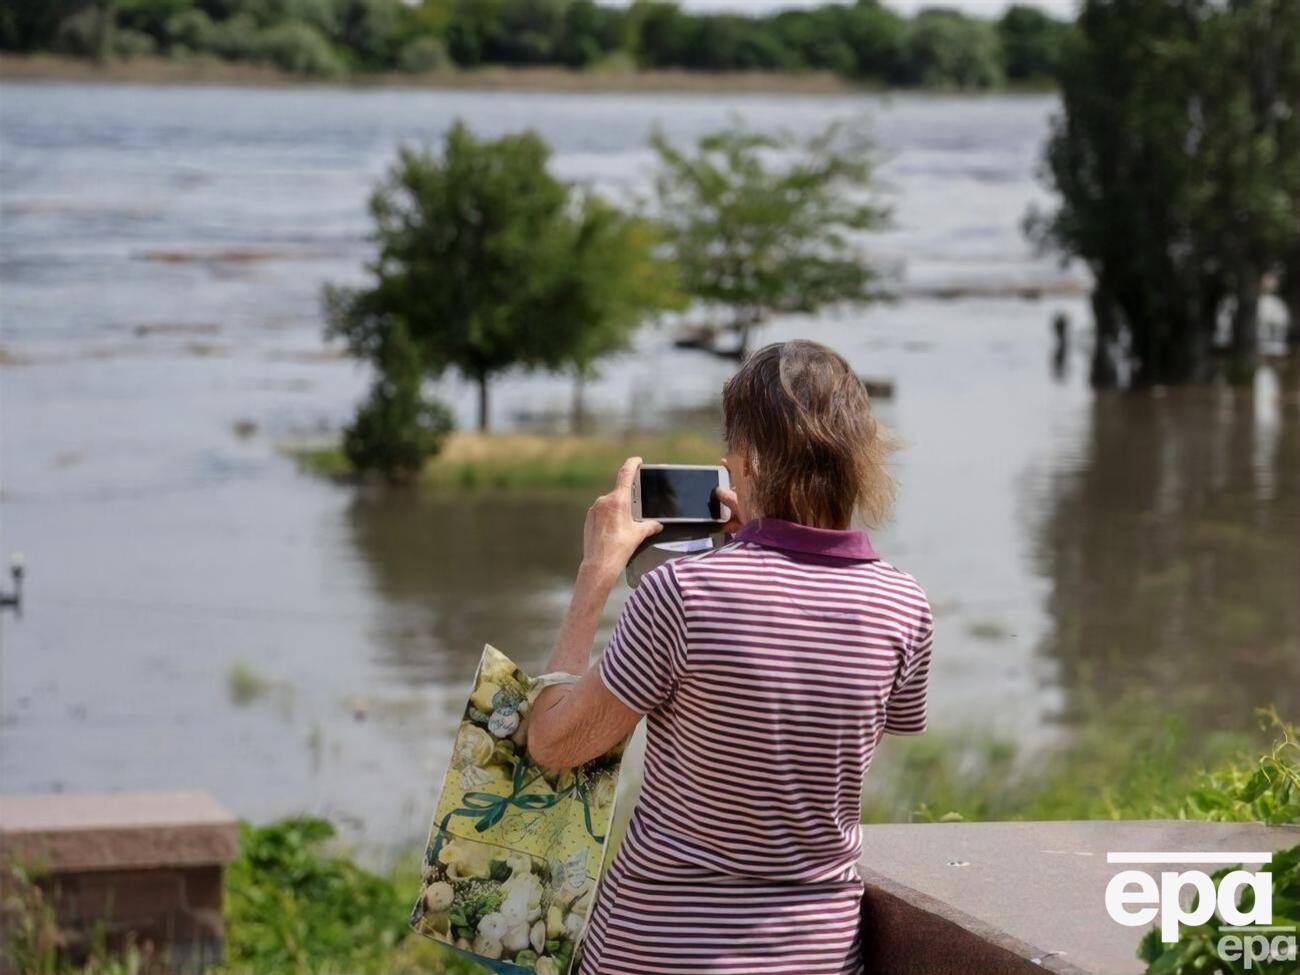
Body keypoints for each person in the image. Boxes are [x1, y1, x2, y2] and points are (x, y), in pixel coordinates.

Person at [528, 339, 934, 975]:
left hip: (657, 953)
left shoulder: (681, 595)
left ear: (742, 461)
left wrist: (594, 576)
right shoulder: (902, 605)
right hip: (817, 956)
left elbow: (554, 743)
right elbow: (815, 749)